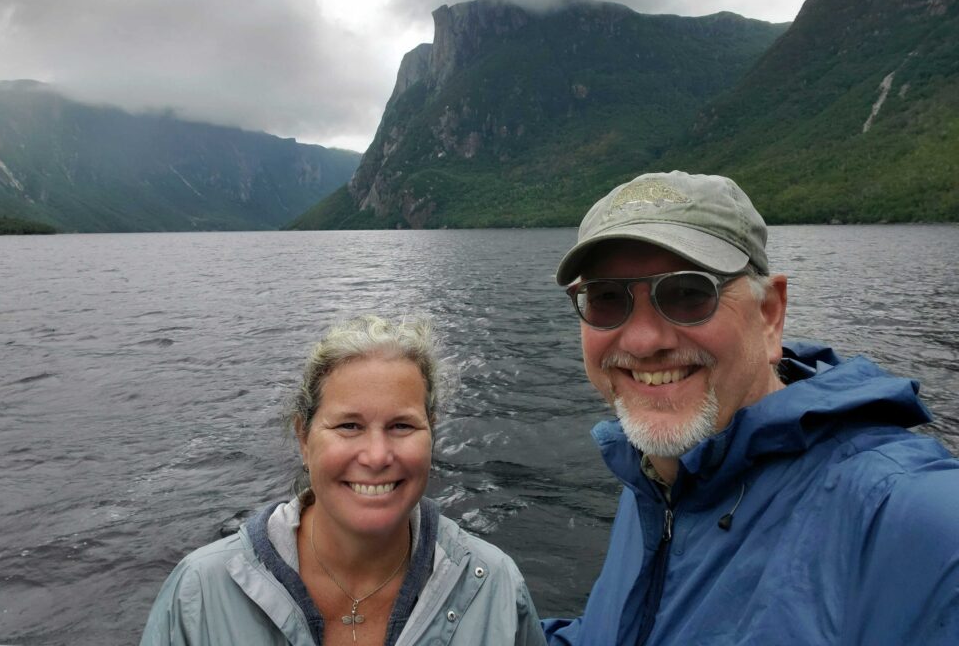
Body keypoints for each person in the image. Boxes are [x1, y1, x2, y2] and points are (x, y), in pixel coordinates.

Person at [542, 171, 959, 645]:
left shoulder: (905, 518)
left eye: (688, 293)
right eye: (606, 299)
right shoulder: (659, 476)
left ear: (769, 316)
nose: (641, 341)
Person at [141, 315, 546, 646]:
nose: (376, 456)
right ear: (303, 438)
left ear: (432, 433)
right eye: (349, 425)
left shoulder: (494, 587)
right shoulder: (200, 593)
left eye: (402, 425)